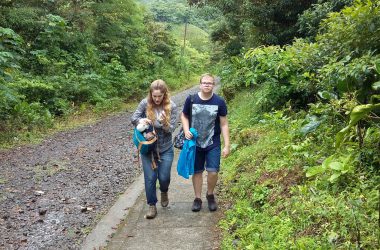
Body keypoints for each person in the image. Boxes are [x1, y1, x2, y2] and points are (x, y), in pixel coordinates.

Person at [180, 73, 230, 212]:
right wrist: (185, 130)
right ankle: (197, 198)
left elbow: (224, 123)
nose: (207, 85)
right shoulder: (191, 99)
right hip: (195, 142)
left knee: (213, 172)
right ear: (200, 84)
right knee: (197, 172)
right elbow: (183, 115)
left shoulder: (219, 102)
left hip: (212, 142)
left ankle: (210, 194)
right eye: (204, 82)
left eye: (210, 83)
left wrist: (227, 145)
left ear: (213, 85)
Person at [131, 79, 178, 219]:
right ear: (151, 94)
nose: (157, 99)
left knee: (164, 177)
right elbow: (133, 118)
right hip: (149, 149)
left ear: (165, 94)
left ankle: (164, 191)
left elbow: (172, 129)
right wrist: (142, 123)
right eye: (154, 96)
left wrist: (164, 123)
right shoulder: (145, 103)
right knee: (150, 178)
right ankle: (152, 205)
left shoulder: (172, 106)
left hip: (165, 148)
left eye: (160, 96)